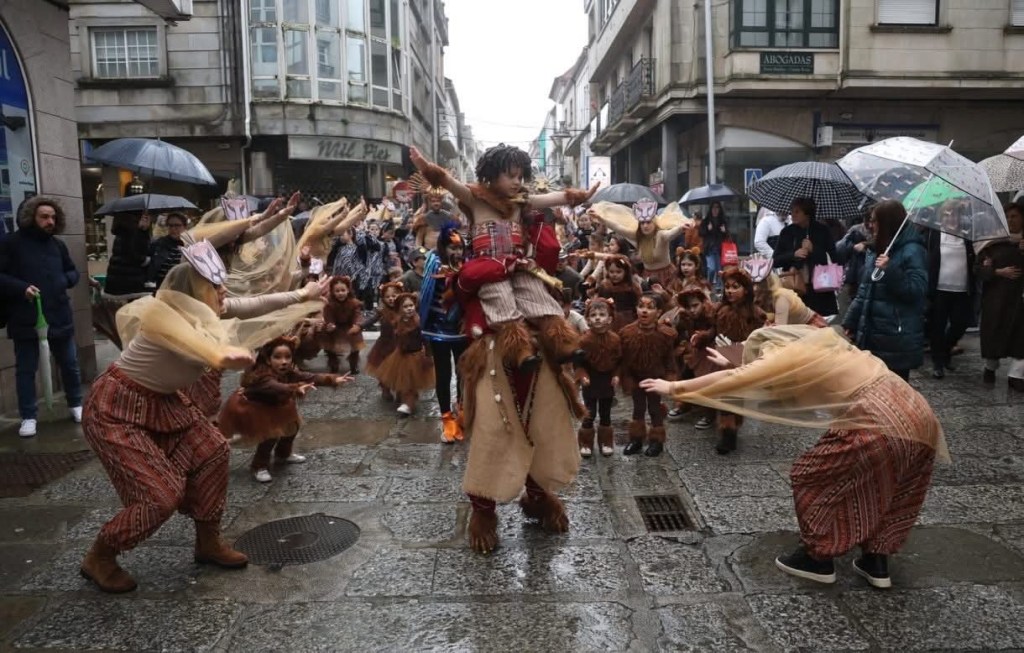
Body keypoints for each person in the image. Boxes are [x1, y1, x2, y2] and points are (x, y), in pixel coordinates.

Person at [79, 243, 318, 593]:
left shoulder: (206, 309)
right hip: (116, 409)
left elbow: (250, 304)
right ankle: (100, 556)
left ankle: (208, 542)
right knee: (159, 497)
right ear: (192, 292)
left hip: (163, 400)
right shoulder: (166, 318)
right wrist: (236, 356)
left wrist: (302, 293)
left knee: (212, 450)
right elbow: (216, 355)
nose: (224, 292)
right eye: (214, 286)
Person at [641, 325, 947, 589]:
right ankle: (876, 560)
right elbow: (751, 364)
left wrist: (674, 387)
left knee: (809, 475)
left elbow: (739, 376)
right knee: (891, 484)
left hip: (875, 418)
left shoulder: (782, 355)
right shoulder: (821, 343)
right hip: (919, 411)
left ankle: (818, 558)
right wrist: (734, 357)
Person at [0, 197, 83, 438]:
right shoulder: (11, 244)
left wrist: (65, 280)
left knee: (69, 364)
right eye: (44, 216)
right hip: (25, 318)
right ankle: (28, 416)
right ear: (30, 217)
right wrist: (21, 288)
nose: (50, 221)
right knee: (26, 369)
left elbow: (72, 271)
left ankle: (76, 404)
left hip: (59, 315)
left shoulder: (57, 245)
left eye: (53, 217)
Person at [218, 336, 352, 483]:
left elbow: (308, 376)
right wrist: (295, 388)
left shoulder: (288, 371)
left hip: (277, 404)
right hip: (256, 408)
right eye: (278, 357)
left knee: (292, 428)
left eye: (288, 357)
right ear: (268, 360)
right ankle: (259, 466)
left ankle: (283, 454)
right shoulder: (262, 375)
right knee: (270, 436)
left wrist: (332, 379)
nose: (284, 361)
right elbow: (275, 387)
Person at [843, 201, 928, 381]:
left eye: (875, 221)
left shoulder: (913, 250)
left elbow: (916, 290)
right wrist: (850, 322)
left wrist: (890, 271)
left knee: (895, 393)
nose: (870, 225)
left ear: (887, 222)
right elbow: (864, 291)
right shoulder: (876, 248)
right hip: (872, 334)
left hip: (895, 337)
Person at [690, 266, 767, 453]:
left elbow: (757, 339)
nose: (730, 291)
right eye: (727, 287)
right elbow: (714, 330)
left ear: (746, 289)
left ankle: (730, 433)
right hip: (719, 355)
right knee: (722, 393)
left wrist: (745, 348)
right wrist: (703, 336)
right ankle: (725, 430)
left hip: (741, 357)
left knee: (734, 395)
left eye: (736, 287)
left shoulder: (755, 314)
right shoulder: (720, 310)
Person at [420, 222, 468, 442]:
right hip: (438, 329)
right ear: (443, 247)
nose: (456, 252)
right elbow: (427, 293)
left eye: (459, 248)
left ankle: (462, 415)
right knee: (444, 374)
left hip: (461, 329)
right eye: (452, 248)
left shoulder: (468, 264)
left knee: (463, 374)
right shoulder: (434, 262)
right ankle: (447, 420)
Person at [619, 292, 677, 457]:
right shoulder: (626, 333)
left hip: (656, 378)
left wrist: (670, 376)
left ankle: (656, 440)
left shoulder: (664, 335)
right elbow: (623, 358)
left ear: (659, 312)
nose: (644, 311)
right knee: (638, 409)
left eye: (650, 308)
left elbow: (669, 358)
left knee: (654, 409)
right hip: (636, 377)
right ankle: (636, 439)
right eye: (641, 306)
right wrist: (625, 377)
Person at [587, 199, 692, 291]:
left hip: (668, 276)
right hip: (647, 277)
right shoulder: (637, 237)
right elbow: (618, 227)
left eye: (648, 222)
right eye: (642, 223)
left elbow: (671, 233)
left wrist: (681, 228)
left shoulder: (661, 235)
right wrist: (601, 218)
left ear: (654, 223)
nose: (645, 226)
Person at [923, 200, 975, 379]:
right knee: (937, 326)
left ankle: (945, 351)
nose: (951, 218)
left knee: (960, 324)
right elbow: (929, 260)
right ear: (942, 218)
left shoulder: (967, 236)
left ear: (960, 217)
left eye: (954, 214)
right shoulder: (935, 235)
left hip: (962, 289)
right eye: (947, 215)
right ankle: (938, 363)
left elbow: (973, 258)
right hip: (940, 289)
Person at [975, 201, 1024, 390]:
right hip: (997, 299)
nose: (1011, 220)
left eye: (1015, 216)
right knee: (994, 334)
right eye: (1008, 217)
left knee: (1020, 337)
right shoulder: (992, 242)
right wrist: (996, 272)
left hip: (1019, 299)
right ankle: (990, 367)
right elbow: (977, 269)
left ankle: (1016, 375)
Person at [772, 197, 839, 317]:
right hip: (795, 287)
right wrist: (793, 254)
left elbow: (835, 258)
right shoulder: (787, 232)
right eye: (791, 211)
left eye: (797, 211)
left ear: (807, 213)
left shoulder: (822, 231)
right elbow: (775, 260)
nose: (792, 215)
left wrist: (814, 250)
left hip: (820, 288)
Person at [371, 293, 435, 416]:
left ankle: (408, 405)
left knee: (411, 382)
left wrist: (428, 354)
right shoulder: (398, 321)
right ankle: (403, 398)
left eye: (411, 305)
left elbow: (425, 340)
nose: (409, 308)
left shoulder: (418, 321)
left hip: (415, 355)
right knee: (403, 379)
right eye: (405, 307)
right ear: (399, 309)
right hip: (400, 355)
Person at [575, 297, 621, 458]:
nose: (598, 318)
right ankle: (586, 442)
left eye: (602, 315)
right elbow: (578, 364)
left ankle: (606, 441)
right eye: (593, 315)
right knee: (590, 412)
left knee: (606, 412)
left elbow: (619, 362)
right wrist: (583, 376)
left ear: (610, 319)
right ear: (587, 319)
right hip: (591, 381)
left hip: (607, 381)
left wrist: (616, 375)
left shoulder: (615, 339)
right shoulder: (584, 340)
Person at [319, 276, 364, 374]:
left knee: (356, 339)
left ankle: (353, 364)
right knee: (327, 339)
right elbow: (328, 316)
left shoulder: (354, 303)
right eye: (337, 291)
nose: (340, 293)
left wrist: (357, 325)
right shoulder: (329, 304)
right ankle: (333, 364)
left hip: (348, 325)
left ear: (348, 290)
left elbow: (357, 315)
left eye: (343, 290)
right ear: (332, 292)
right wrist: (330, 324)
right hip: (334, 326)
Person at [834, 211, 872, 320]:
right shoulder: (855, 229)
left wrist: (866, 246)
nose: (869, 224)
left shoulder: (881, 233)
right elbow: (840, 248)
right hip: (853, 271)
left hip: (867, 272)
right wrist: (853, 246)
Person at [104, 213, 153, 296]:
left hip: (119, 281)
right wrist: (148, 260)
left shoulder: (123, 231)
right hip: (131, 283)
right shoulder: (132, 232)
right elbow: (135, 255)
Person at [147, 213, 188, 289]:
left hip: (182, 289)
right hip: (161, 288)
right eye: (170, 225)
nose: (173, 229)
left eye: (177, 225)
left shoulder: (190, 246)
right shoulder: (159, 244)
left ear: (185, 227)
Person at [699, 201, 729, 290]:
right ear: (711, 209)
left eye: (717, 208)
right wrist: (708, 229)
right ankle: (709, 285)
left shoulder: (723, 221)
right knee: (711, 268)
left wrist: (724, 231)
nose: (715, 210)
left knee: (720, 270)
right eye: (713, 208)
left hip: (720, 249)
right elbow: (701, 233)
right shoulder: (706, 220)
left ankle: (719, 288)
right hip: (710, 249)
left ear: (720, 209)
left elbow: (728, 235)